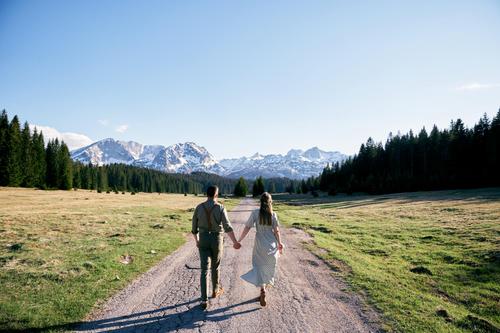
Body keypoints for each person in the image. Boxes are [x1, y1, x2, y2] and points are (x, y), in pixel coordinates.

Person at [191, 185, 241, 310]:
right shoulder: (220, 207)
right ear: (216, 195)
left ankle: (203, 300)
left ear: (206, 194)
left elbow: (193, 228)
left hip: (203, 239)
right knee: (216, 266)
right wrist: (235, 242)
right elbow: (227, 226)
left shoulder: (199, 207)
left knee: (204, 269)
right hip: (216, 240)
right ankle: (215, 290)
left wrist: (197, 241)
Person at [237, 192, 284, 306]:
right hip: (271, 245)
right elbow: (276, 231)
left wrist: (240, 240)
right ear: (270, 202)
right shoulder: (273, 215)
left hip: (259, 245)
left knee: (258, 267)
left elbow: (247, 227)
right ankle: (264, 288)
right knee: (268, 268)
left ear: (260, 202)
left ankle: (262, 289)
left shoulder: (255, 213)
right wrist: (280, 243)